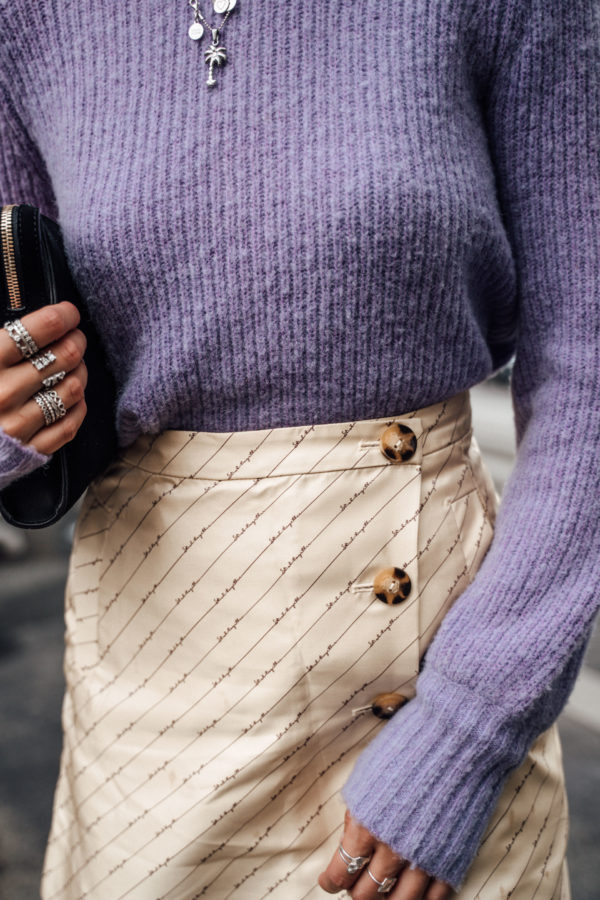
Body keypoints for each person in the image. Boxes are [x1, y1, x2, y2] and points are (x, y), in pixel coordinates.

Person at [0, 1, 598, 898]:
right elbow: (21, 320)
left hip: (427, 695)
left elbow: (586, 360)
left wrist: (470, 731)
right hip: (150, 708)